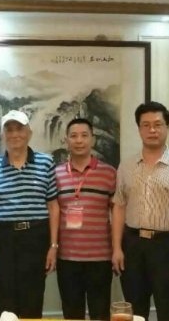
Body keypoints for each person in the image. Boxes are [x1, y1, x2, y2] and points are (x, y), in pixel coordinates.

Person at [111, 101, 169, 321]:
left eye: (158, 124)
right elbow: (119, 207)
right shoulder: (126, 166)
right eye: (146, 125)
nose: (152, 130)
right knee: (134, 309)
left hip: (168, 246)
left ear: (167, 127)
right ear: (139, 129)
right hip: (133, 244)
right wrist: (117, 248)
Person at [0, 109, 59, 318]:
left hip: (36, 237)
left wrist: (53, 246)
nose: (15, 134)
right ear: (3, 135)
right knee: (6, 301)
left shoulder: (46, 163)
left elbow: (53, 206)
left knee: (33, 299)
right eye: (9, 129)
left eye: (20, 129)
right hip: (4, 238)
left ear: (29, 133)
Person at [55, 118, 117, 320]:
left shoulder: (109, 173)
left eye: (84, 135)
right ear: (66, 140)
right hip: (67, 258)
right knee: (72, 315)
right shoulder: (56, 174)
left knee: (100, 314)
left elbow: (117, 213)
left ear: (93, 139)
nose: (79, 140)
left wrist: (117, 249)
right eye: (73, 136)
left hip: (100, 257)